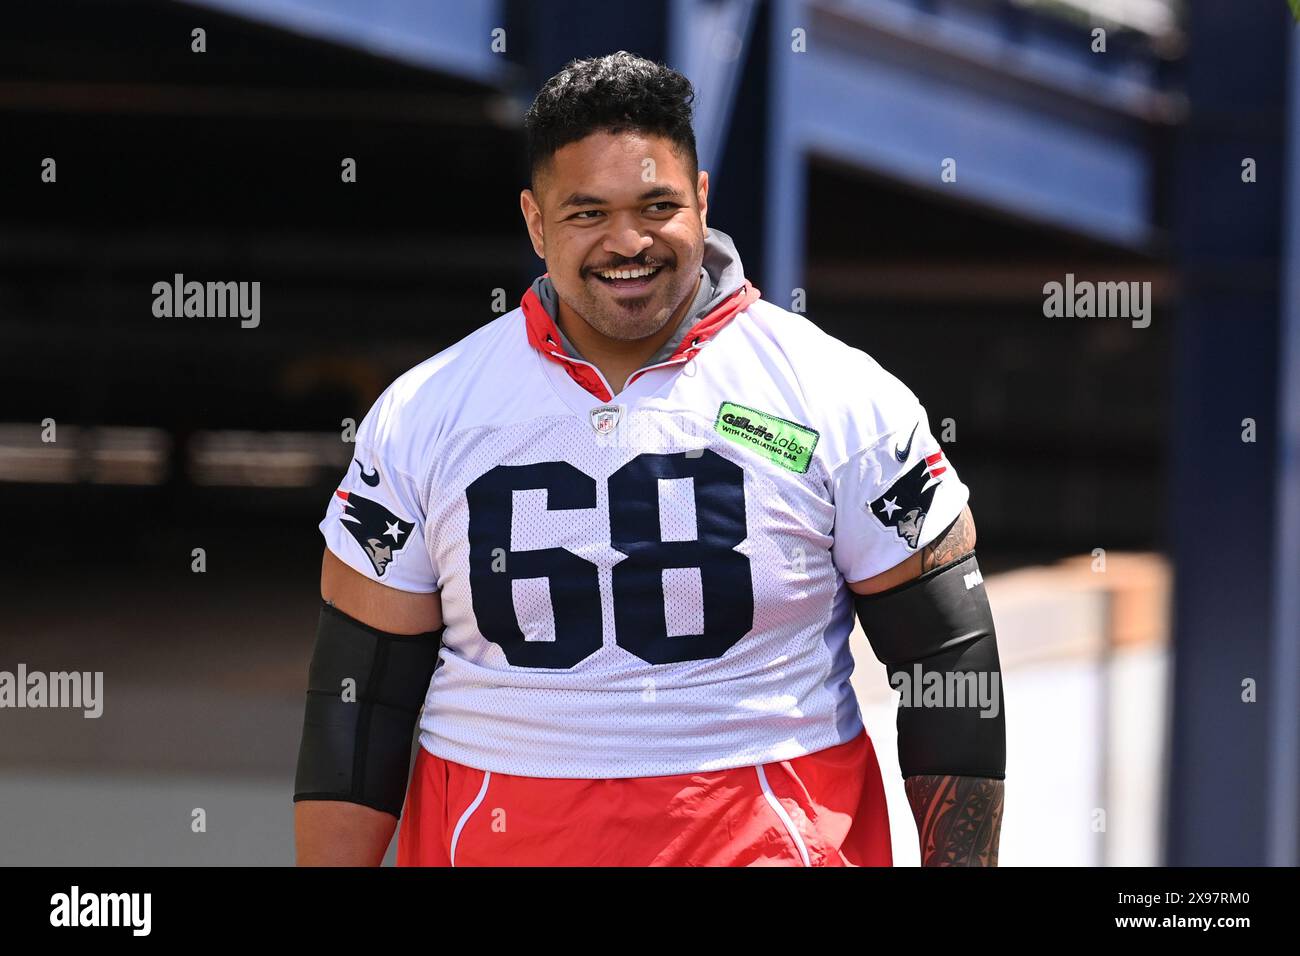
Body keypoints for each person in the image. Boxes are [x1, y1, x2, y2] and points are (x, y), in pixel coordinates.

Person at [294, 51, 1004, 867]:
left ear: (701, 201)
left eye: (657, 205)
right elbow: (361, 697)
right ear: (534, 223)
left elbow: (948, 659)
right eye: (587, 213)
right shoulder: (425, 413)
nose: (627, 242)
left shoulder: (839, 396)